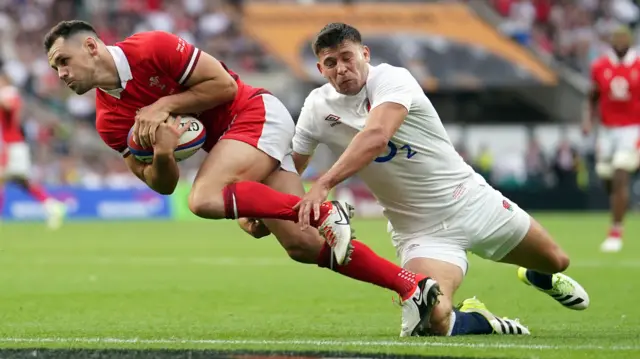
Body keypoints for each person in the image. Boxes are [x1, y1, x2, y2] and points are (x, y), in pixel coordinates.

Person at [43, 20, 441, 337]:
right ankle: (412, 286)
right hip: (233, 143)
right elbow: (161, 184)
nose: (60, 73)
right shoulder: (108, 119)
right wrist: (163, 151)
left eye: (64, 60)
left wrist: (162, 104)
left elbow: (225, 85)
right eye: (54, 67)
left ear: (92, 47)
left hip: (254, 112)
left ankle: (324, 213)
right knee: (303, 246)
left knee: (203, 198)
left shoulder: (151, 47)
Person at [287, 22, 589, 337]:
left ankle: (537, 275)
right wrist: (263, 212)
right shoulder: (316, 107)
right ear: (321, 69)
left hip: (471, 202)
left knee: (557, 261)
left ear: (365, 54)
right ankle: (482, 320)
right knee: (431, 321)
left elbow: (376, 137)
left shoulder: (392, 78)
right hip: (420, 231)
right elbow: (290, 167)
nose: (342, 69)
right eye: (331, 63)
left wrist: (322, 182)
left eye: (348, 57)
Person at [583, 26, 640, 253]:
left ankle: (616, 231)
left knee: (619, 175)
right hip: (607, 130)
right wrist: (588, 120)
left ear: (630, 40)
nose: (619, 42)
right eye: (616, 38)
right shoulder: (600, 66)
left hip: (632, 129)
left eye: (623, 38)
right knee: (606, 178)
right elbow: (593, 95)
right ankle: (622, 204)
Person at [0, 59, 66, 229]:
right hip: (10, 145)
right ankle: (52, 205)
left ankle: (51, 205)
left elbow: (9, 107)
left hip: (12, 145)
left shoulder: (9, 93)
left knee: (11, 180)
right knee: (23, 182)